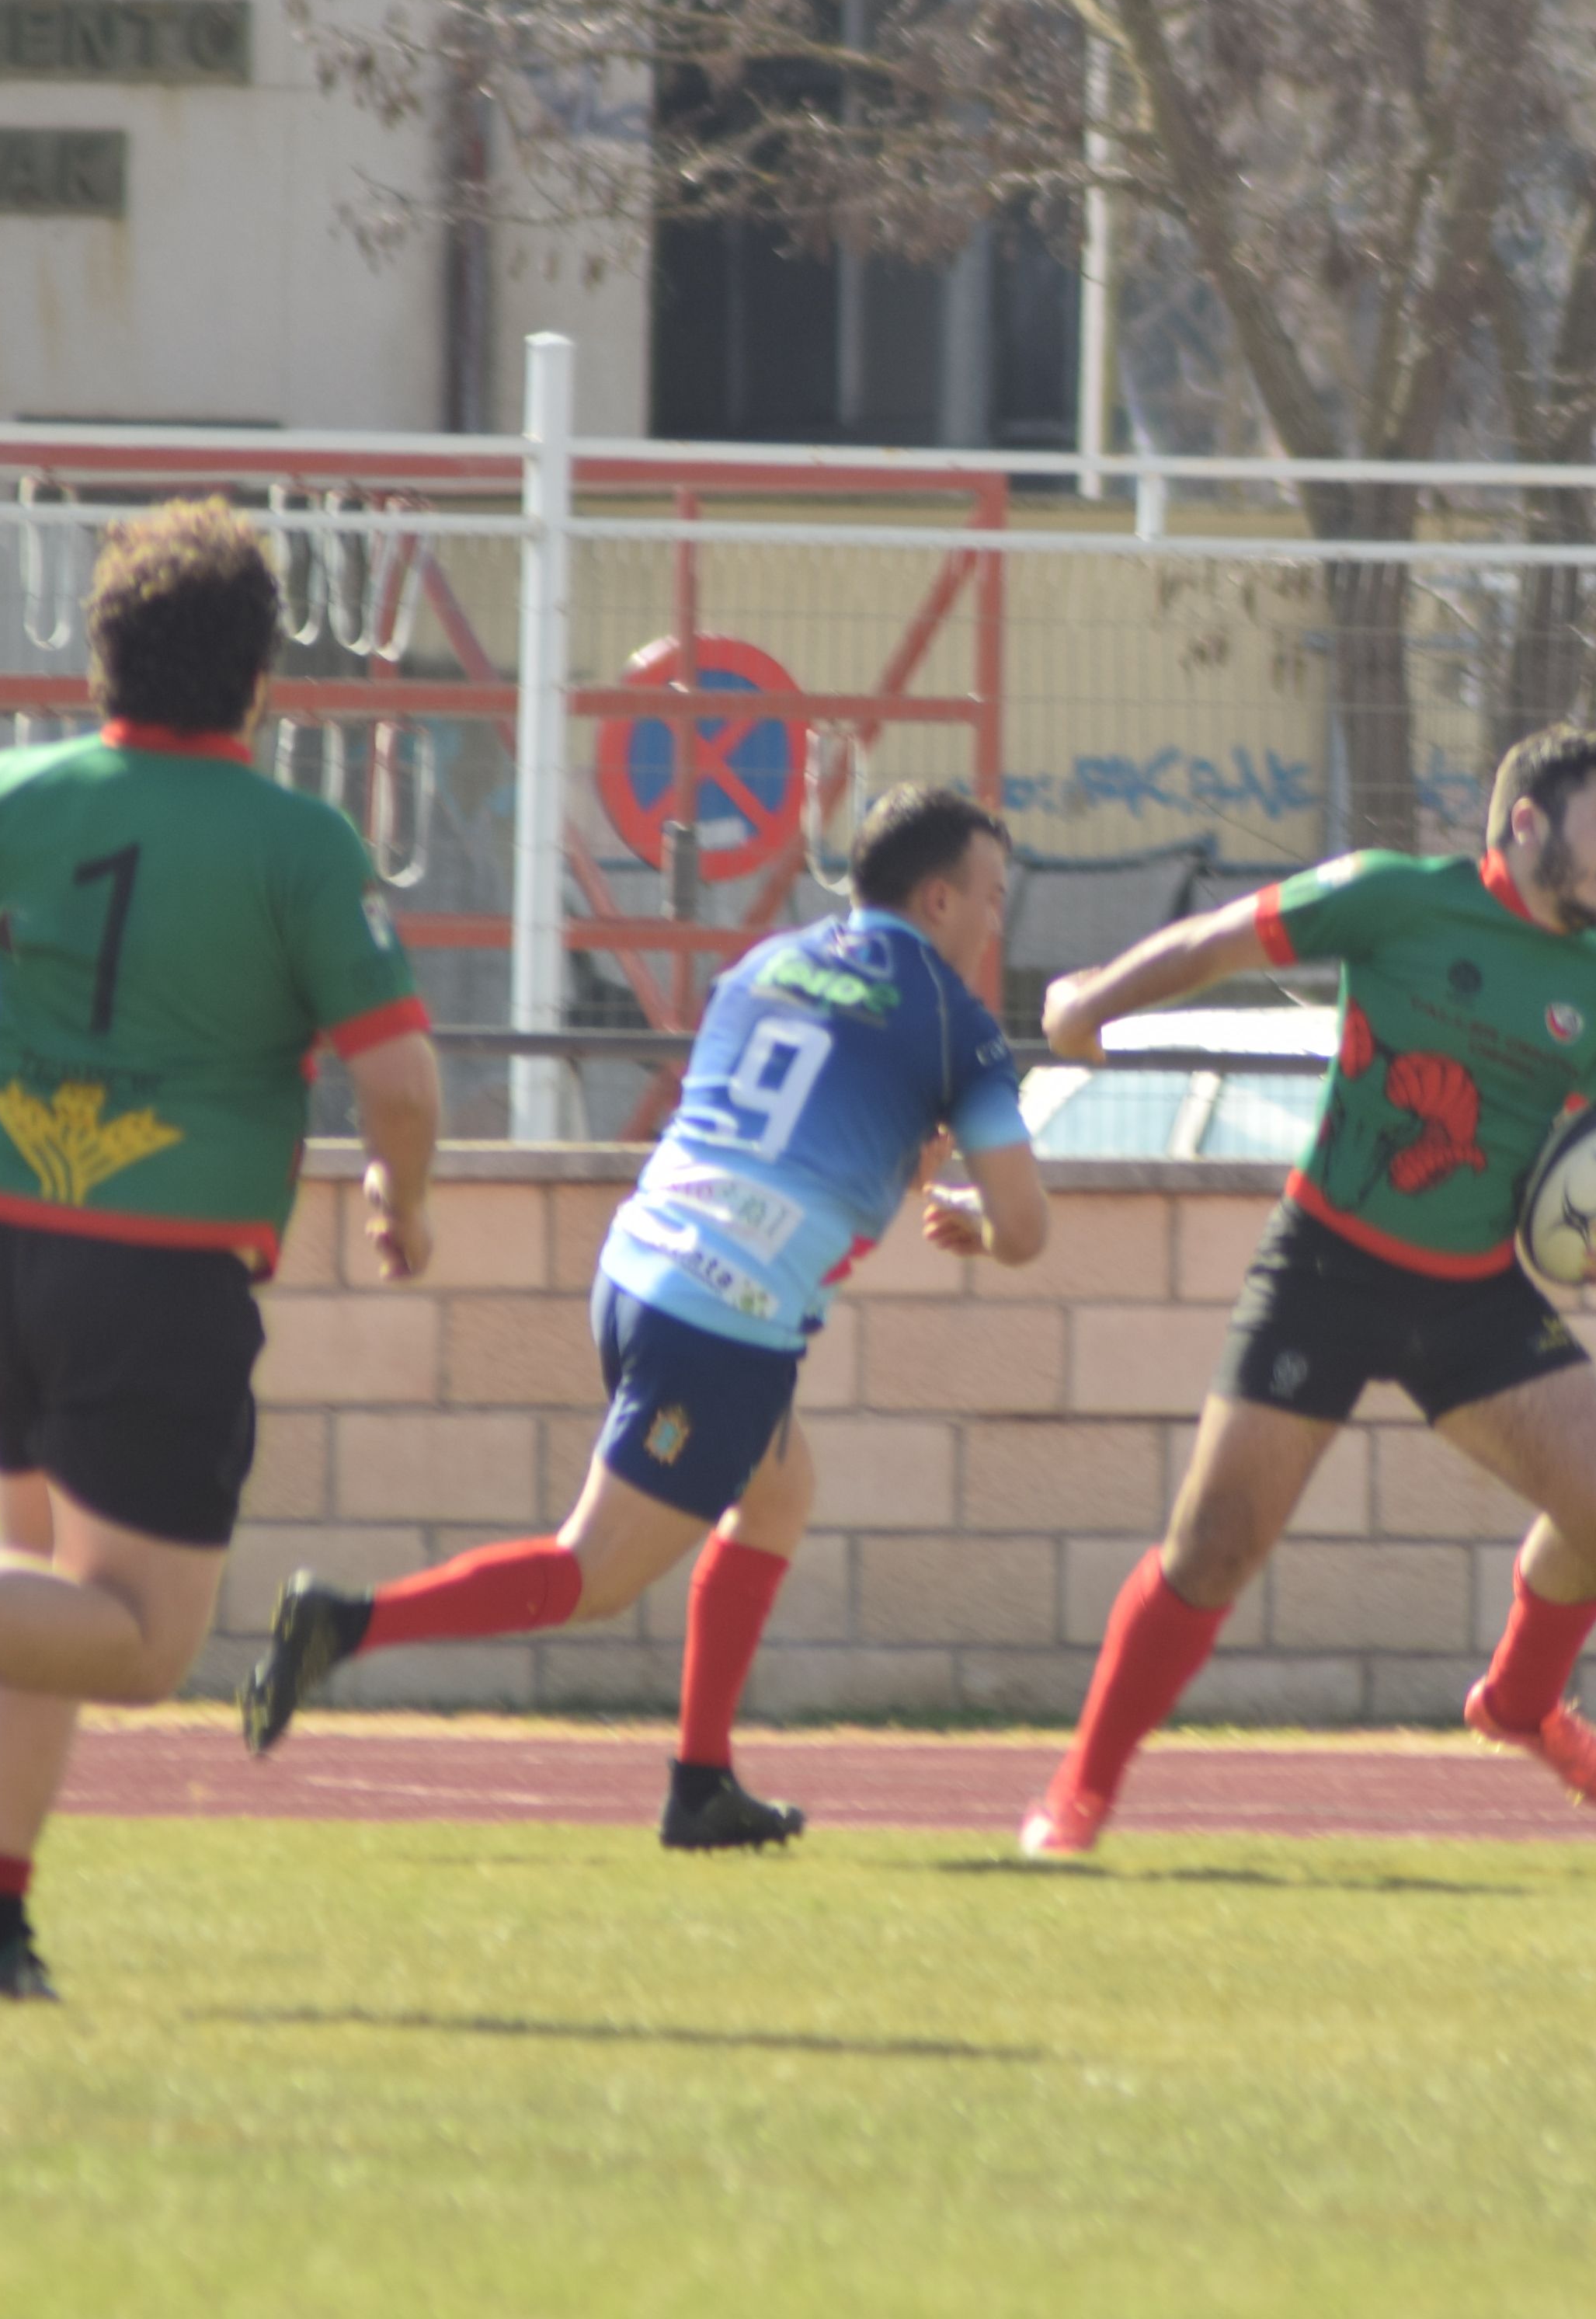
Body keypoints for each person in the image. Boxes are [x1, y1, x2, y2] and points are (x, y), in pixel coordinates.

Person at [0, 499, 441, 2004]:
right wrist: (404, 1194)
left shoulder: (6, 788)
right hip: (163, 1256)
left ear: (103, 652)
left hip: (3, 1233)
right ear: (260, 679)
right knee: (136, 1639)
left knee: (42, 1591)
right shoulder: (301, 841)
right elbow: (402, 1080)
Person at [240, 781, 1052, 1846]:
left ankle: (702, 1783)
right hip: (722, 1321)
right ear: (940, 898)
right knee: (591, 1576)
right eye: (992, 896)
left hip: (637, 1265)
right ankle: (345, 1625)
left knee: (777, 1493)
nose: (998, 921)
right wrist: (981, 1232)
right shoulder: (961, 1028)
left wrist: (901, 1159)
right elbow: (1026, 1226)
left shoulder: (763, 964)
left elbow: (776, 1126)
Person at [1017, 725, 1596, 1859]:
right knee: (1215, 1548)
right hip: (1328, 1267)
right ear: (1528, 822)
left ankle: (1520, 1705)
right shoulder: (1394, 898)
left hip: (1473, 1292)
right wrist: (1091, 1000)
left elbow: (1583, 1163)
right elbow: (1221, 940)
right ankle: (1078, 1792)